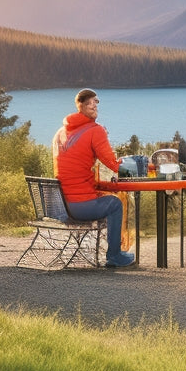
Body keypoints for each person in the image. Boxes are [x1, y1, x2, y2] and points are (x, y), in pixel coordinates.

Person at [52, 89, 135, 268]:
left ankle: (112, 251)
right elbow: (113, 164)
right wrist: (142, 166)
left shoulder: (60, 133)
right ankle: (114, 256)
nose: (95, 105)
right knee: (114, 204)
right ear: (81, 105)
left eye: (96, 102)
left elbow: (69, 166)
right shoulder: (94, 131)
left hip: (60, 205)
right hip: (79, 207)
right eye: (92, 102)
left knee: (104, 196)